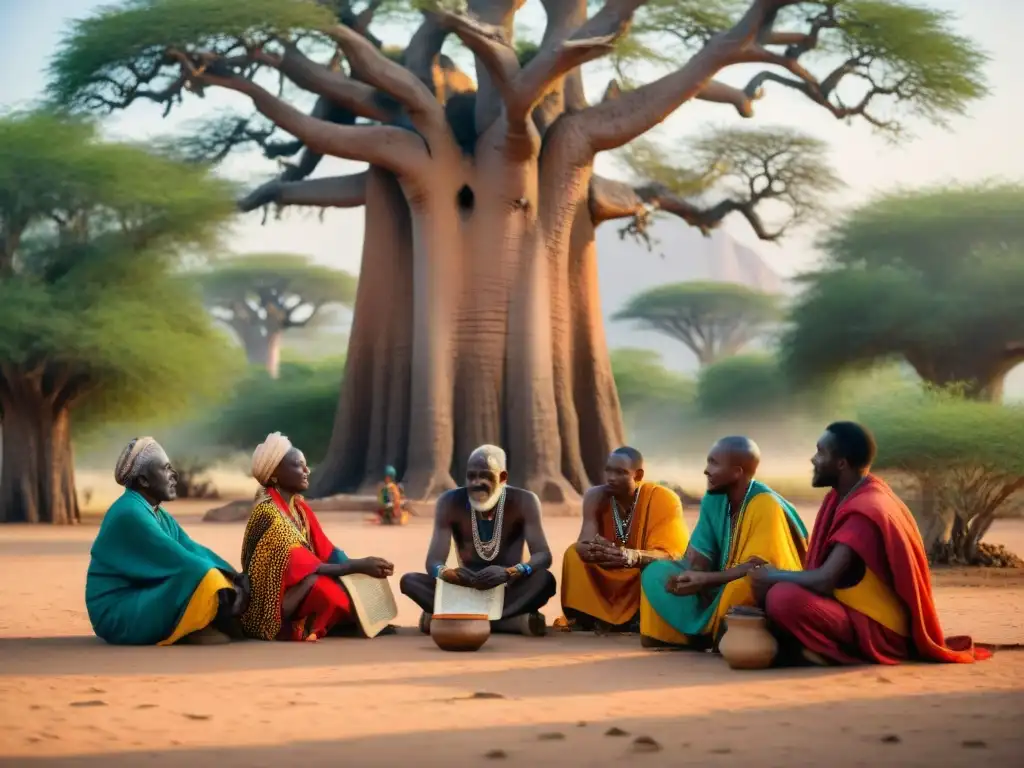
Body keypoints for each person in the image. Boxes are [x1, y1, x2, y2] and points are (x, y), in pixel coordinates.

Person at [753, 421, 991, 665]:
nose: (813, 460)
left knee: (782, 597)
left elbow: (824, 579)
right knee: (776, 590)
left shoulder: (864, 510)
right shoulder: (845, 495)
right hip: (850, 611)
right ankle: (807, 646)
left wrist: (773, 575)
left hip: (879, 630)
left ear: (841, 463)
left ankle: (830, 653)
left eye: (820, 453)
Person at [639, 437, 808, 649]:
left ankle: (720, 636)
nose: (706, 471)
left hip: (758, 583)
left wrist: (706, 579)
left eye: (714, 464)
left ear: (737, 472)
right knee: (656, 572)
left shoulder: (765, 504)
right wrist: (688, 576)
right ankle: (676, 636)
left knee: (740, 586)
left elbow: (760, 567)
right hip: (716, 581)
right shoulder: (714, 498)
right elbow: (701, 552)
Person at [86, 437, 250, 646]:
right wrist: (225, 583)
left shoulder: (156, 512)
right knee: (205, 578)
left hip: (141, 595)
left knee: (211, 575)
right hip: (117, 611)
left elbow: (191, 548)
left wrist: (234, 576)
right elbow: (178, 559)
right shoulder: (130, 513)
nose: (174, 476)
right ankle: (192, 626)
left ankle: (196, 622)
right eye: (166, 469)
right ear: (144, 480)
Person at [241, 432, 395, 642]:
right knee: (329, 592)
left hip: (303, 583)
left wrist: (362, 566)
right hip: (271, 605)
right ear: (275, 474)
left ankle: (355, 620)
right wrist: (356, 566)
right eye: (298, 465)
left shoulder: (300, 508)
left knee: (353, 582)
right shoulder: (267, 512)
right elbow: (299, 562)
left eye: (305, 465)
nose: (306, 471)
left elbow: (327, 551)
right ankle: (325, 624)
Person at [399, 444, 556, 636]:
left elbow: (543, 555)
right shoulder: (449, 502)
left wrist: (513, 571)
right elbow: (433, 562)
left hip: (508, 587)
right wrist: (449, 574)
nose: (476, 482)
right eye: (471, 476)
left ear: (503, 478)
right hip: (464, 589)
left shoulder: (524, 501)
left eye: (485, 476)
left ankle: (452, 617)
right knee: (410, 582)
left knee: (545, 581)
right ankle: (510, 622)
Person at [557, 446, 689, 633]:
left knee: (659, 569)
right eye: (608, 471)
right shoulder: (598, 498)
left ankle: (640, 618)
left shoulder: (663, 499)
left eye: (620, 472)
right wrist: (592, 512)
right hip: (611, 570)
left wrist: (632, 556)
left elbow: (672, 555)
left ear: (638, 475)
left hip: (640, 572)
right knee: (573, 554)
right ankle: (591, 617)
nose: (611, 477)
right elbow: (584, 549)